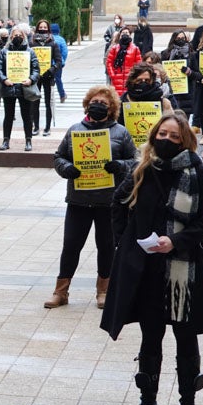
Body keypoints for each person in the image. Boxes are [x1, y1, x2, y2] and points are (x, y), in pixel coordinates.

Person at [102, 114, 203, 405]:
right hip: (147, 270)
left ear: (185, 141)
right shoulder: (142, 167)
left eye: (174, 137)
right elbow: (118, 204)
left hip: (184, 270)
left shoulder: (195, 170)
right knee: (150, 337)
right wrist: (126, 245)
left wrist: (176, 241)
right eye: (162, 134)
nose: (167, 140)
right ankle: (147, 404)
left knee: (185, 337)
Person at [48, 86, 137, 310]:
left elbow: (134, 161)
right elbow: (59, 157)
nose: (98, 105)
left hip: (108, 201)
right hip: (79, 199)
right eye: (94, 101)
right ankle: (61, 291)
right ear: (87, 104)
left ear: (112, 108)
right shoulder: (75, 130)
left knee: (106, 246)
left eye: (104, 103)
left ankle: (104, 290)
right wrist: (67, 168)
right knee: (71, 245)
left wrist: (120, 166)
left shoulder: (121, 132)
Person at [0, 27, 41, 152]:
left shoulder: (30, 52)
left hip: (24, 87)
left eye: (20, 35)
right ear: (10, 37)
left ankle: (28, 140)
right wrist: (4, 79)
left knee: (26, 116)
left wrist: (31, 80)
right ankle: (6, 140)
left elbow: (36, 69)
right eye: (14, 35)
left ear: (24, 37)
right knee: (8, 115)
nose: (17, 37)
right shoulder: (4, 52)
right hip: (9, 87)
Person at [30, 19, 64, 137]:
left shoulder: (53, 43)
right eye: (41, 27)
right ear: (37, 28)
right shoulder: (32, 43)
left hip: (48, 76)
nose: (43, 29)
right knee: (35, 102)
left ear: (48, 29)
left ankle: (47, 127)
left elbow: (59, 61)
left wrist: (51, 70)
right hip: (36, 77)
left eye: (45, 27)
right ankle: (36, 127)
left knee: (48, 103)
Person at [119, 64, 176, 130]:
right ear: (132, 81)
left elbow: (171, 126)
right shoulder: (122, 101)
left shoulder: (163, 103)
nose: (143, 83)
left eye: (147, 80)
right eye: (139, 81)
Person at [106, 26, 142, 96]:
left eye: (127, 32)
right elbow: (109, 62)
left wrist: (134, 75)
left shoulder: (135, 48)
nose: (125, 34)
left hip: (129, 78)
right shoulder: (115, 48)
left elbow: (138, 64)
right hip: (117, 78)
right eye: (123, 32)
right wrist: (113, 75)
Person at [50, 23, 69, 103]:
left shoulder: (48, 39)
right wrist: (62, 60)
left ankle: (49, 96)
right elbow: (65, 51)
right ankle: (62, 95)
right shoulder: (61, 39)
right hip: (58, 64)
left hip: (48, 63)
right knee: (58, 79)